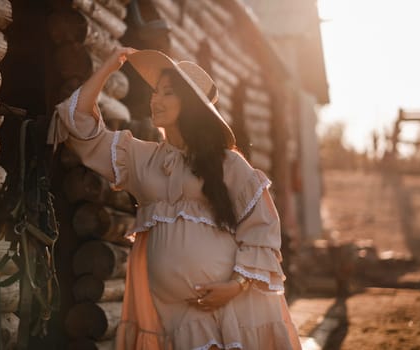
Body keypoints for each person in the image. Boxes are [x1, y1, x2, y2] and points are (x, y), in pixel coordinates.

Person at [48, 47, 301, 349]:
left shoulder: (229, 165)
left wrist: (236, 286)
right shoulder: (143, 159)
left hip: (232, 308)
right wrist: (108, 67)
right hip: (174, 317)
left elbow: (262, 229)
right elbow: (76, 122)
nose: (156, 99)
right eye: (156, 92)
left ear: (191, 106)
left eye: (168, 93)